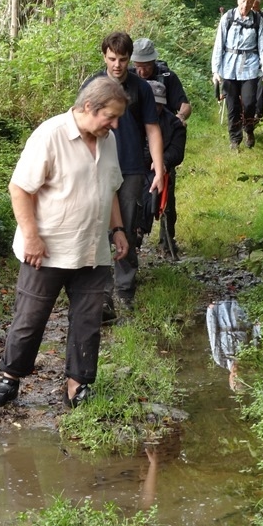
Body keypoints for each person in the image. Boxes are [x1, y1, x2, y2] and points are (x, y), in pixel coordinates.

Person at [0, 77, 129, 411]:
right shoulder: (50, 135)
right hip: (47, 250)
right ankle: (9, 380)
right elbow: (20, 188)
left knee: (88, 321)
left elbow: (111, 188)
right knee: (30, 319)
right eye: (111, 116)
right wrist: (31, 236)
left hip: (93, 250)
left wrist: (118, 228)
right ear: (89, 107)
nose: (116, 124)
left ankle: (77, 387)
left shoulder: (108, 140)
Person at [85, 32, 165, 323]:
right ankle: (101, 295)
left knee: (127, 228)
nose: (117, 65)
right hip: (97, 167)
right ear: (104, 56)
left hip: (132, 167)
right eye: (112, 59)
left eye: (122, 59)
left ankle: (125, 289)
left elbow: (152, 127)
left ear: (130, 59)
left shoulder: (141, 88)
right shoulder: (93, 85)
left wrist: (159, 167)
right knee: (98, 228)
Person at [211, 0, 263, 152]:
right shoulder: (228, 18)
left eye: (249, 2)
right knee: (232, 106)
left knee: (250, 102)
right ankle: (234, 139)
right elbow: (219, 45)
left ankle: (249, 129)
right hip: (229, 68)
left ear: (254, 3)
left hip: (250, 68)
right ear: (238, 0)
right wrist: (215, 71)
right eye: (243, 1)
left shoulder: (258, 21)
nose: (245, 5)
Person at [138, 80, 186, 257]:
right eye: (152, 103)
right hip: (130, 166)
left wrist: (163, 162)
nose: (155, 107)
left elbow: (177, 151)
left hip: (157, 170)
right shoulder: (129, 118)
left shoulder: (174, 124)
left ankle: (142, 230)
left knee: (151, 191)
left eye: (159, 104)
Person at [130, 38, 192, 127]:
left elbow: (185, 105)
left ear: (153, 61)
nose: (143, 71)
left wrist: (180, 116)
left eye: (147, 66)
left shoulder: (168, 76)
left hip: (164, 125)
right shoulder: (128, 76)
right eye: (138, 66)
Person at [206, 300, 261, 391]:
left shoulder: (221, 360)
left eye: (234, 379)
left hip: (223, 317)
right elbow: (255, 340)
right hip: (242, 317)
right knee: (241, 294)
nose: (237, 375)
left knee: (222, 294)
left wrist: (211, 312)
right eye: (240, 378)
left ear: (229, 378)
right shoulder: (249, 358)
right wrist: (257, 326)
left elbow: (213, 337)